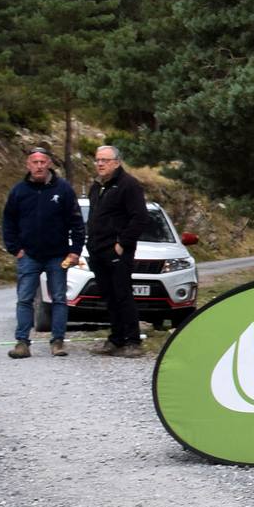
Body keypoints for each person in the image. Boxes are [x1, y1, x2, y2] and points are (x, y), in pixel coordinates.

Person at [1, 145, 84, 358]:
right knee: (24, 298)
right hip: (28, 255)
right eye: (35, 162)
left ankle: (58, 342)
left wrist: (74, 251)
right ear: (28, 165)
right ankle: (22, 342)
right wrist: (15, 249)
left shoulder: (63, 190)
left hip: (58, 255)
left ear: (49, 164)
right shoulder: (18, 191)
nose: (39, 166)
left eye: (43, 162)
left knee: (58, 298)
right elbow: (8, 222)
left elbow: (76, 223)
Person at [85, 145, 149, 357]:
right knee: (109, 296)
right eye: (97, 160)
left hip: (118, 251)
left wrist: (122, 243)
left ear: (117, 162)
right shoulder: (96, 187)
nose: (100, 164)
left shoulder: (128, 185)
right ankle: (116, 338)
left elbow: (139, 217)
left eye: (105, 160)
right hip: (97, 250)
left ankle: (133, 341)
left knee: (123, 294)